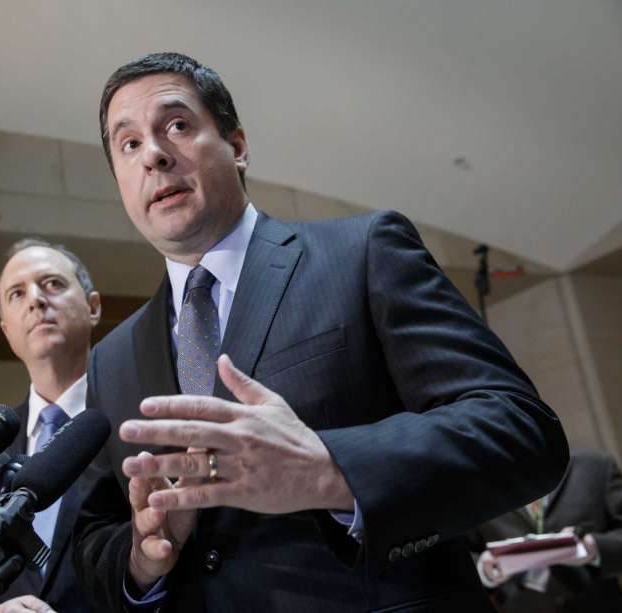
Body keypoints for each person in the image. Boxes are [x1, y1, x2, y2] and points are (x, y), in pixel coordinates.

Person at [72, 52, 570, 612]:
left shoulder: (363, 253)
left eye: (178, 126)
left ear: (237, 146)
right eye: (129, 144)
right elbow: (93, 538)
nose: (155, 156)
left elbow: (522, 431)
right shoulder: (110, 359)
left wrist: (332, 469)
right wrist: (143, 558)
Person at [0, 238, 105, 613]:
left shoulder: (135, 423)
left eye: (52, 284)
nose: (35, 300)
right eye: (17, 294)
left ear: (93, 307)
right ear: (6, 331)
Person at [470, 448, 622, 612]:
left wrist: (593, 548)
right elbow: (459, 558)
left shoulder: (596, 465)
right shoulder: (477, 488)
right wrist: (484, 570)